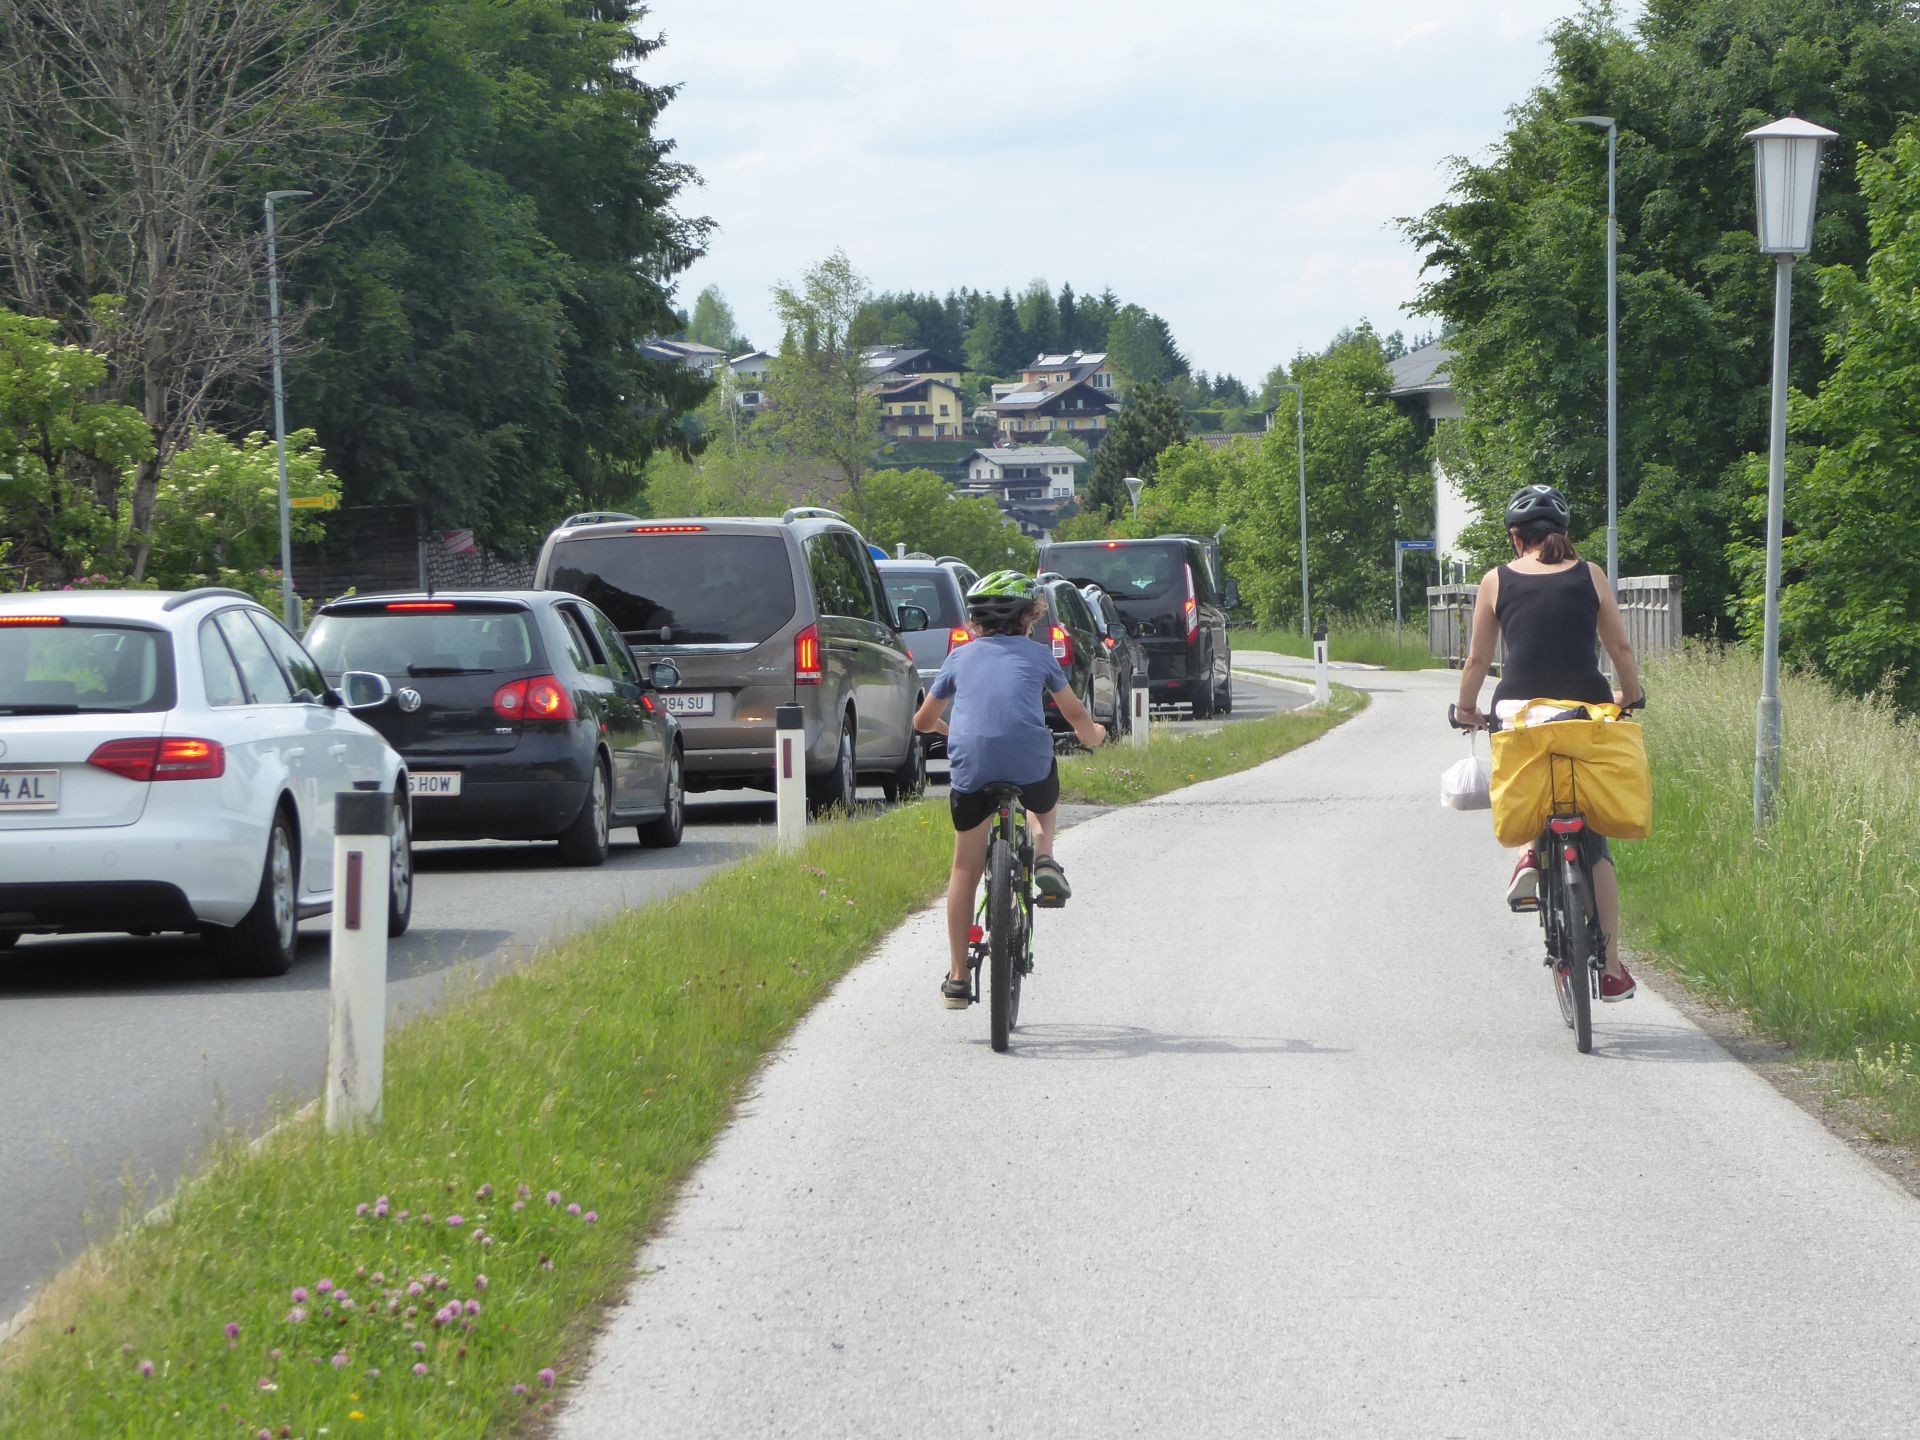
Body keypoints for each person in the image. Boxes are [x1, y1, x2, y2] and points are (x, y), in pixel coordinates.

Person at [1453, 484, 1646, 1002]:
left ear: (1517, 538)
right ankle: (1609, 968)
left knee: (1531, 781)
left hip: (1519, 710)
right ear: (1562, 535)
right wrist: (1632, 693)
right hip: (1586, 708)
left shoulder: (1496, 580)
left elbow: (1476, 660)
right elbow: (1620, 644)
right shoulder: (1591, 575)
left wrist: (1465, 709)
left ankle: (1530, 855)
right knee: (1597, 842)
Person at [913, 571, 1106, 1009]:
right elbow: (1075, 717)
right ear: (1028, 619)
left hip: (972, 767)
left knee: (964, 869)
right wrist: (1094, 734)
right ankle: (1043, 854)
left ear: (975, 623)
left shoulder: (958, 660)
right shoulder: (1040, 657)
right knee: (1043, 790)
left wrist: (948, 728)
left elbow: (922, 723)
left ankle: (959, 976)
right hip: (1028, 762)